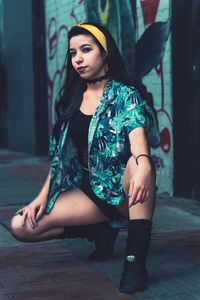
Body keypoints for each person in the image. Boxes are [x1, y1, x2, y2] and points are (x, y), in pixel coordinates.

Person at [10, 22, 156, 294]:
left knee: (139, 164)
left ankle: (135, 263)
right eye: (73, 52)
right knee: (21, 226)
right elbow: (59, 160)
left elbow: (138, 139)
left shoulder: (125, 95)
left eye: (86, 50)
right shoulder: (72, 98)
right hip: (89, 192)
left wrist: (145, 161)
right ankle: (100, 229)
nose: (77, 58)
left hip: (125, 191)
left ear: (104, 53)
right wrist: (40, 199)